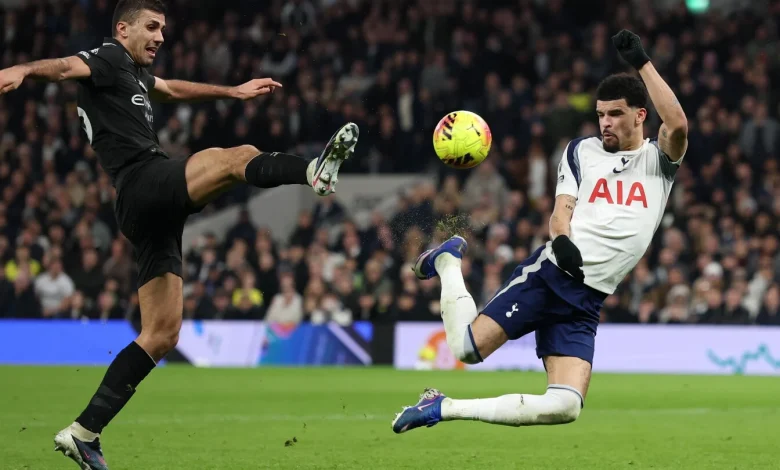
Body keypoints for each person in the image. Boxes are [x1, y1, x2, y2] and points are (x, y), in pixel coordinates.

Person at [0, 1, 358, 468]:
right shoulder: (107, 58)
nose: (161, 36)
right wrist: (24, 69)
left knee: (162, 333)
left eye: (163, 29)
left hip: (143, 209)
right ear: (122, 29)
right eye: (152, 27)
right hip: (141, 182)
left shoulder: (133, 73)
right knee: (237, 157)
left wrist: (232, 92)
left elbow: (169, 89)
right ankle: (313, 169)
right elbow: (66, 67)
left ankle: (84, 432)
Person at [392, 30, 688, 433]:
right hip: (552, 277)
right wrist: (561, 241)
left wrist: (642, 63)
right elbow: (561, 210)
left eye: (615, 114)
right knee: (466, 348)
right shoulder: (581, 151)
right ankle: (447, 261)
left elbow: (678, 121)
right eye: (600, 114)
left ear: (640, 115)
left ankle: (441, 407)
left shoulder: (659, 160)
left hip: (588, 299)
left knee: (564, 406)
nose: (605, 123)